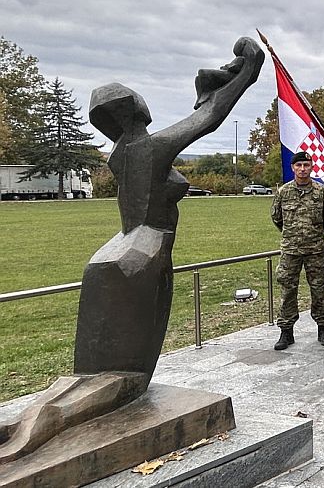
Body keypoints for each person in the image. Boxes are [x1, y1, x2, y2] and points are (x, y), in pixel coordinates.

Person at [0, 38, 264, 463]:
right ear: (138, 109)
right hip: (146, 251)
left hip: (114, 251)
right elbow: (210, 118)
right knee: (127, 379)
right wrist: (248, 71)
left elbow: (201, 114)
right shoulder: (152, 147)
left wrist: (213, 87)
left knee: (91, 372)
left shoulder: (120, 155)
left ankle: (27, 419)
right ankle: (43, 423)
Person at [271, 150, 324, 350]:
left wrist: (318, 231)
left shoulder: (321, 192)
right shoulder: (284, 192)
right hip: (290, 251)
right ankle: (286, 331)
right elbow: (276, 217)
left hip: (315, 249)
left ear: (311, 167)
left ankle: (323, 328)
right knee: (287, 290)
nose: (302, 169)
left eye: (306, 165)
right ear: (293, 168)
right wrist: (292, 234)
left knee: (320, 289)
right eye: (299, 165)